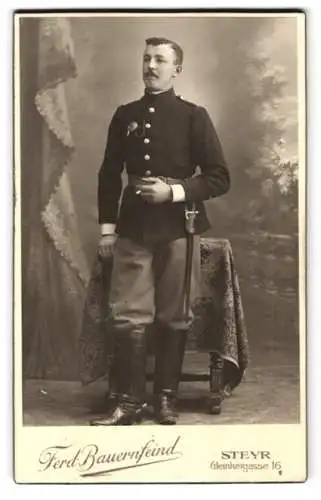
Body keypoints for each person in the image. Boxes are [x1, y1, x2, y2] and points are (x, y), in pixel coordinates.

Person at [90, 37, 230, 426]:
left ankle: (165, 399)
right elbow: (107, 175)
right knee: (128, 315)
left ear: (176, 70)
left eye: (161, 60)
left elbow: (219, 178)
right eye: (147, 58)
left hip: (179, 226)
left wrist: (175, 191)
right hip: (133, 227)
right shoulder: (125, 115)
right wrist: (106, 230)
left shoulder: (193, 116)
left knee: (174, 315)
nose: (151, 66)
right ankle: (129, 404)